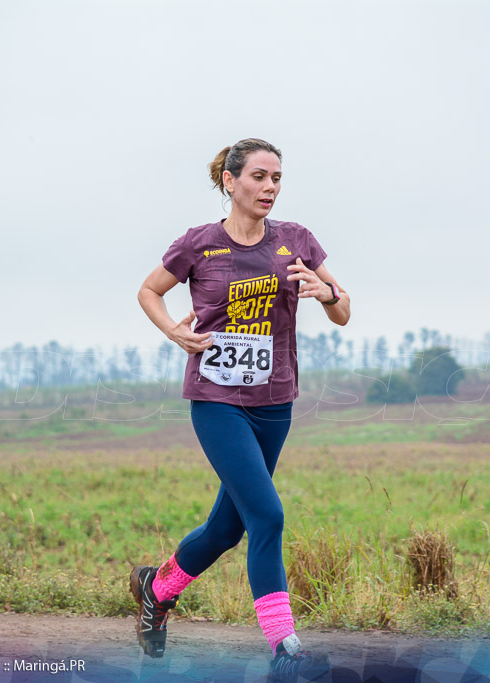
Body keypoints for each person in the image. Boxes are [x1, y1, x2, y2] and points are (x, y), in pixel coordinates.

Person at [131, 137, 350, 679]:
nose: (269, 187)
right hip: (216, 400)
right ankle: (286, 651)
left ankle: (156, 589)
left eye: (277, 178)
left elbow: (344, 309)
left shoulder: (296, 240)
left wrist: (324, 293)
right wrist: (175, 335)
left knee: (228, 529)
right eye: (258, 176)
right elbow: (149, 292)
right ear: (230, 181)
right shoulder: (199, 244)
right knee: (268, 515)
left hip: (275, 402)